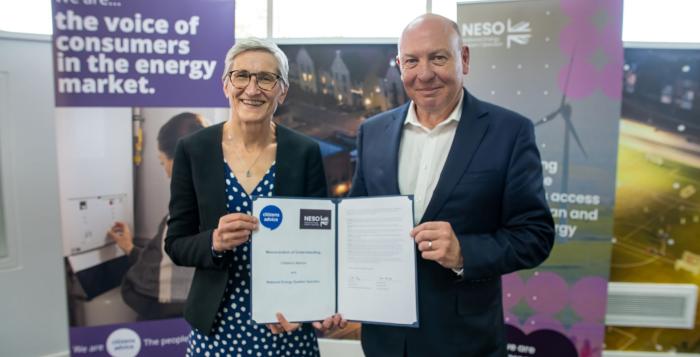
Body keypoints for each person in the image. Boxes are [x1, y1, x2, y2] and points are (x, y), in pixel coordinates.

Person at [349, 14, 555, 356]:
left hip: (465, 341)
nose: (425, 73)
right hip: (385, 340)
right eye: (412, 61)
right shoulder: (373, 132)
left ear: (465, 59)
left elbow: (535, 236)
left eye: (438, 57)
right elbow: (354, 225)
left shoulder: (509, 132)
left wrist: (464, 252)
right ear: (400, 66)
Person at [164, 38, 340, 357]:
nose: (252, 88)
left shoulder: (305, 152)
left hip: (285, 323)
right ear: (225, 84)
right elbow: (176, 244)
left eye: (266, 78)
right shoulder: (193, 150)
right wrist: (214, 241)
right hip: (217, 328)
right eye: (241, 75)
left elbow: (321, 242)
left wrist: (311, 305)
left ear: (282, 91)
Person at [107, 112, 207, 320]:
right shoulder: (223, 197)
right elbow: (169, 262)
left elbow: (143, 289)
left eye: (164, 163)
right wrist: (129, 247)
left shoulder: (182, 213)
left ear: (178, 159)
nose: (167, 173)